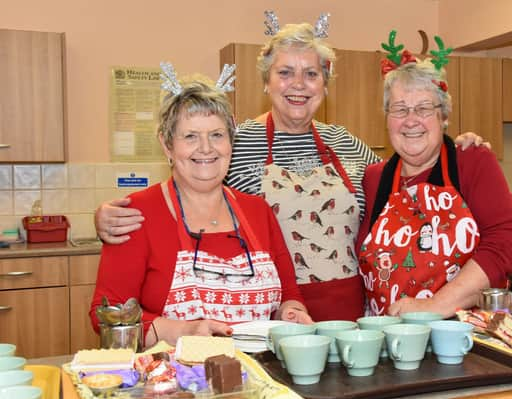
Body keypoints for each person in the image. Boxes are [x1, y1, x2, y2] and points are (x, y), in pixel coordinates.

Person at [93, 14, 485, 322]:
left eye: (311, 73)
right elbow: (186, 189)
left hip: (352, 312)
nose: (298, 84)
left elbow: (406, 180)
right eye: (285, 72)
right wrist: (107, 216)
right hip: (271, 313)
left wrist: (451, 147)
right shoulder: (232, 142)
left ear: (325, 85)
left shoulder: (346, 144)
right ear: (266, 82)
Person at [90, 63, 311, 347]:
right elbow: (107, 315)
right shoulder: (136, 214)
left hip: (263, 376)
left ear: (231, 141)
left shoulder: (258, 211)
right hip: (173, 380)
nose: (206, 148)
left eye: (217, 135)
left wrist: (293, 313)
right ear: (167, 145)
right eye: (190, 136)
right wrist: (180, 331)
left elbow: (289, 296)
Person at [356, 32, 512, 318]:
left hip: (467, 337)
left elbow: (502, 246)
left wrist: (433, 307)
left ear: (443, 117)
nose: (410, 120)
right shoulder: (374, 178)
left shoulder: (472, 161)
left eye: (423, 109)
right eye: (399, 109)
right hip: (391, 339)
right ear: (386, 118)